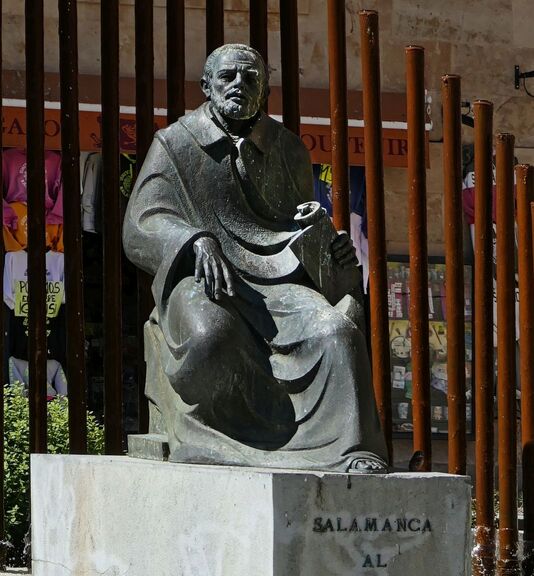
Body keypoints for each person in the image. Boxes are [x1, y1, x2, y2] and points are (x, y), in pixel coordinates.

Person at [123, 43, 387, 472]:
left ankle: (346, 451)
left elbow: (298, 228)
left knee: (336, 331)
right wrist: (193, 240)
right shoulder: (174, 144)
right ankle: (216, 443)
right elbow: (141, 222)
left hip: (279, 282)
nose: (239, 85)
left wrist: (328, 244)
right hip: (208, 279)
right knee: (212, 337)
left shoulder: (287, 150)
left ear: (264, 90)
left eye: (250, 77)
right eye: (228, 77)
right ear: (207, 86)